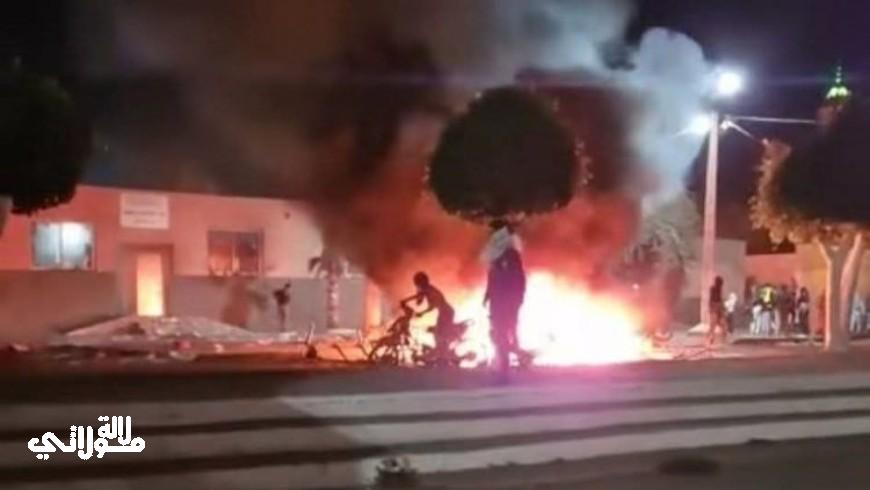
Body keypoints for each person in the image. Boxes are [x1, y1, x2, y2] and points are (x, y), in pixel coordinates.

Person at [484, 247, 527, 373]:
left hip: (504, 307)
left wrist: (513, 304)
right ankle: (506, 359)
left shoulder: (511, 273)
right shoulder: (503, 272)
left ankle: (507, 360)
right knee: (506, 331)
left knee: (505, 332)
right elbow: (492, 287)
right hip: (502, 306)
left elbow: (516, 291)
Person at [406, 272, 456, 358]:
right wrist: (406, 300)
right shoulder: (426, 290)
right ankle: (442, 352)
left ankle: (443, 354)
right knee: (437, 332)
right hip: (444, 312)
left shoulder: (431, 291)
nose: (418, 285)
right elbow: (419, 299)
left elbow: (433, 306)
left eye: (418, 283)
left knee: (439, 333)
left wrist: (422, 313)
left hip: (447, 312)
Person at [707, 276, 727, 346]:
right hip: (715, 308)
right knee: (713, 325)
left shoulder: (719, 289)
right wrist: (712, 308)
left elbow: (719, 300)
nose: (721, 285)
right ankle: (710, 339)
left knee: (723, 325)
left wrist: (722, 308)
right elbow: (712, 300)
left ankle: (722, 340)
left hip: (718, 308)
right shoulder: (713, 289)